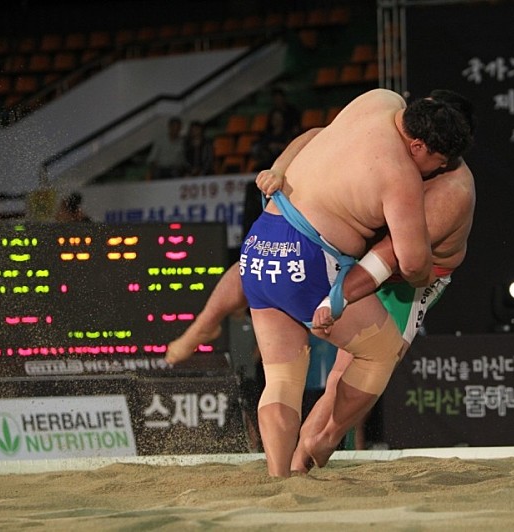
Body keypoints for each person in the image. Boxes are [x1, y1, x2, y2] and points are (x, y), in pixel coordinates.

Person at [166, 90, 475, 476]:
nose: (438, 169)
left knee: (282, 378)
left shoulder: (378, 101)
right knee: (379, 352)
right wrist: (345, 296)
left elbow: (314, 135)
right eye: (438, 160)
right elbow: (409, 263)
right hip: (321, 262)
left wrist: (279, 167)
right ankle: (326, 438)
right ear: (420, 145)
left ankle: (279, 478)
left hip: (263, 241)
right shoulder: (402, 176)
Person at [146, 116, 186, 180]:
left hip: (175, 170)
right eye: (174, 126)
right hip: (161, 168)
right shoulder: (160, 140)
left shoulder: (182, 142)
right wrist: (152, 170)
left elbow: (183, 160)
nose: (175, 129)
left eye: (178, 127)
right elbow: (152, 158)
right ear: (169, 127)